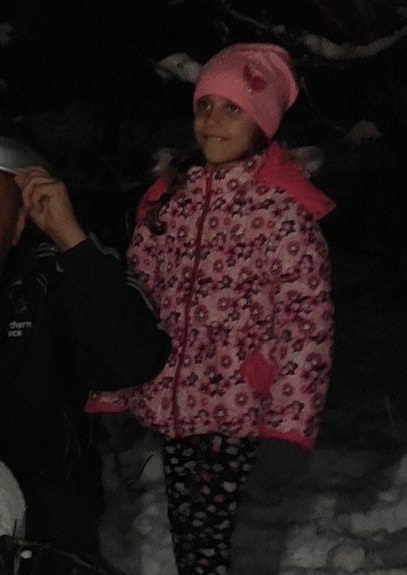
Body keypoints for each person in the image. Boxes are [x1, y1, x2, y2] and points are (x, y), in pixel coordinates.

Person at [86, 43, 336, 574]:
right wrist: (113, 394)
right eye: (205, 106)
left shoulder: (281, 213)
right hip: (177, 408)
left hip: (239, 406)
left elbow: (305, 328)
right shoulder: (169, 199)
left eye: (232, 108)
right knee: (189, 531)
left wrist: (288, 430)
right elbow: (132, 303)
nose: (213, 122)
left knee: (205, 539)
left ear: (261, 124)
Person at [0, 132, 171, 560]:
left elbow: (134, 360)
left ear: (18, 223)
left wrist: (71, 238)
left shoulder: (53, 285)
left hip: (42, 535)